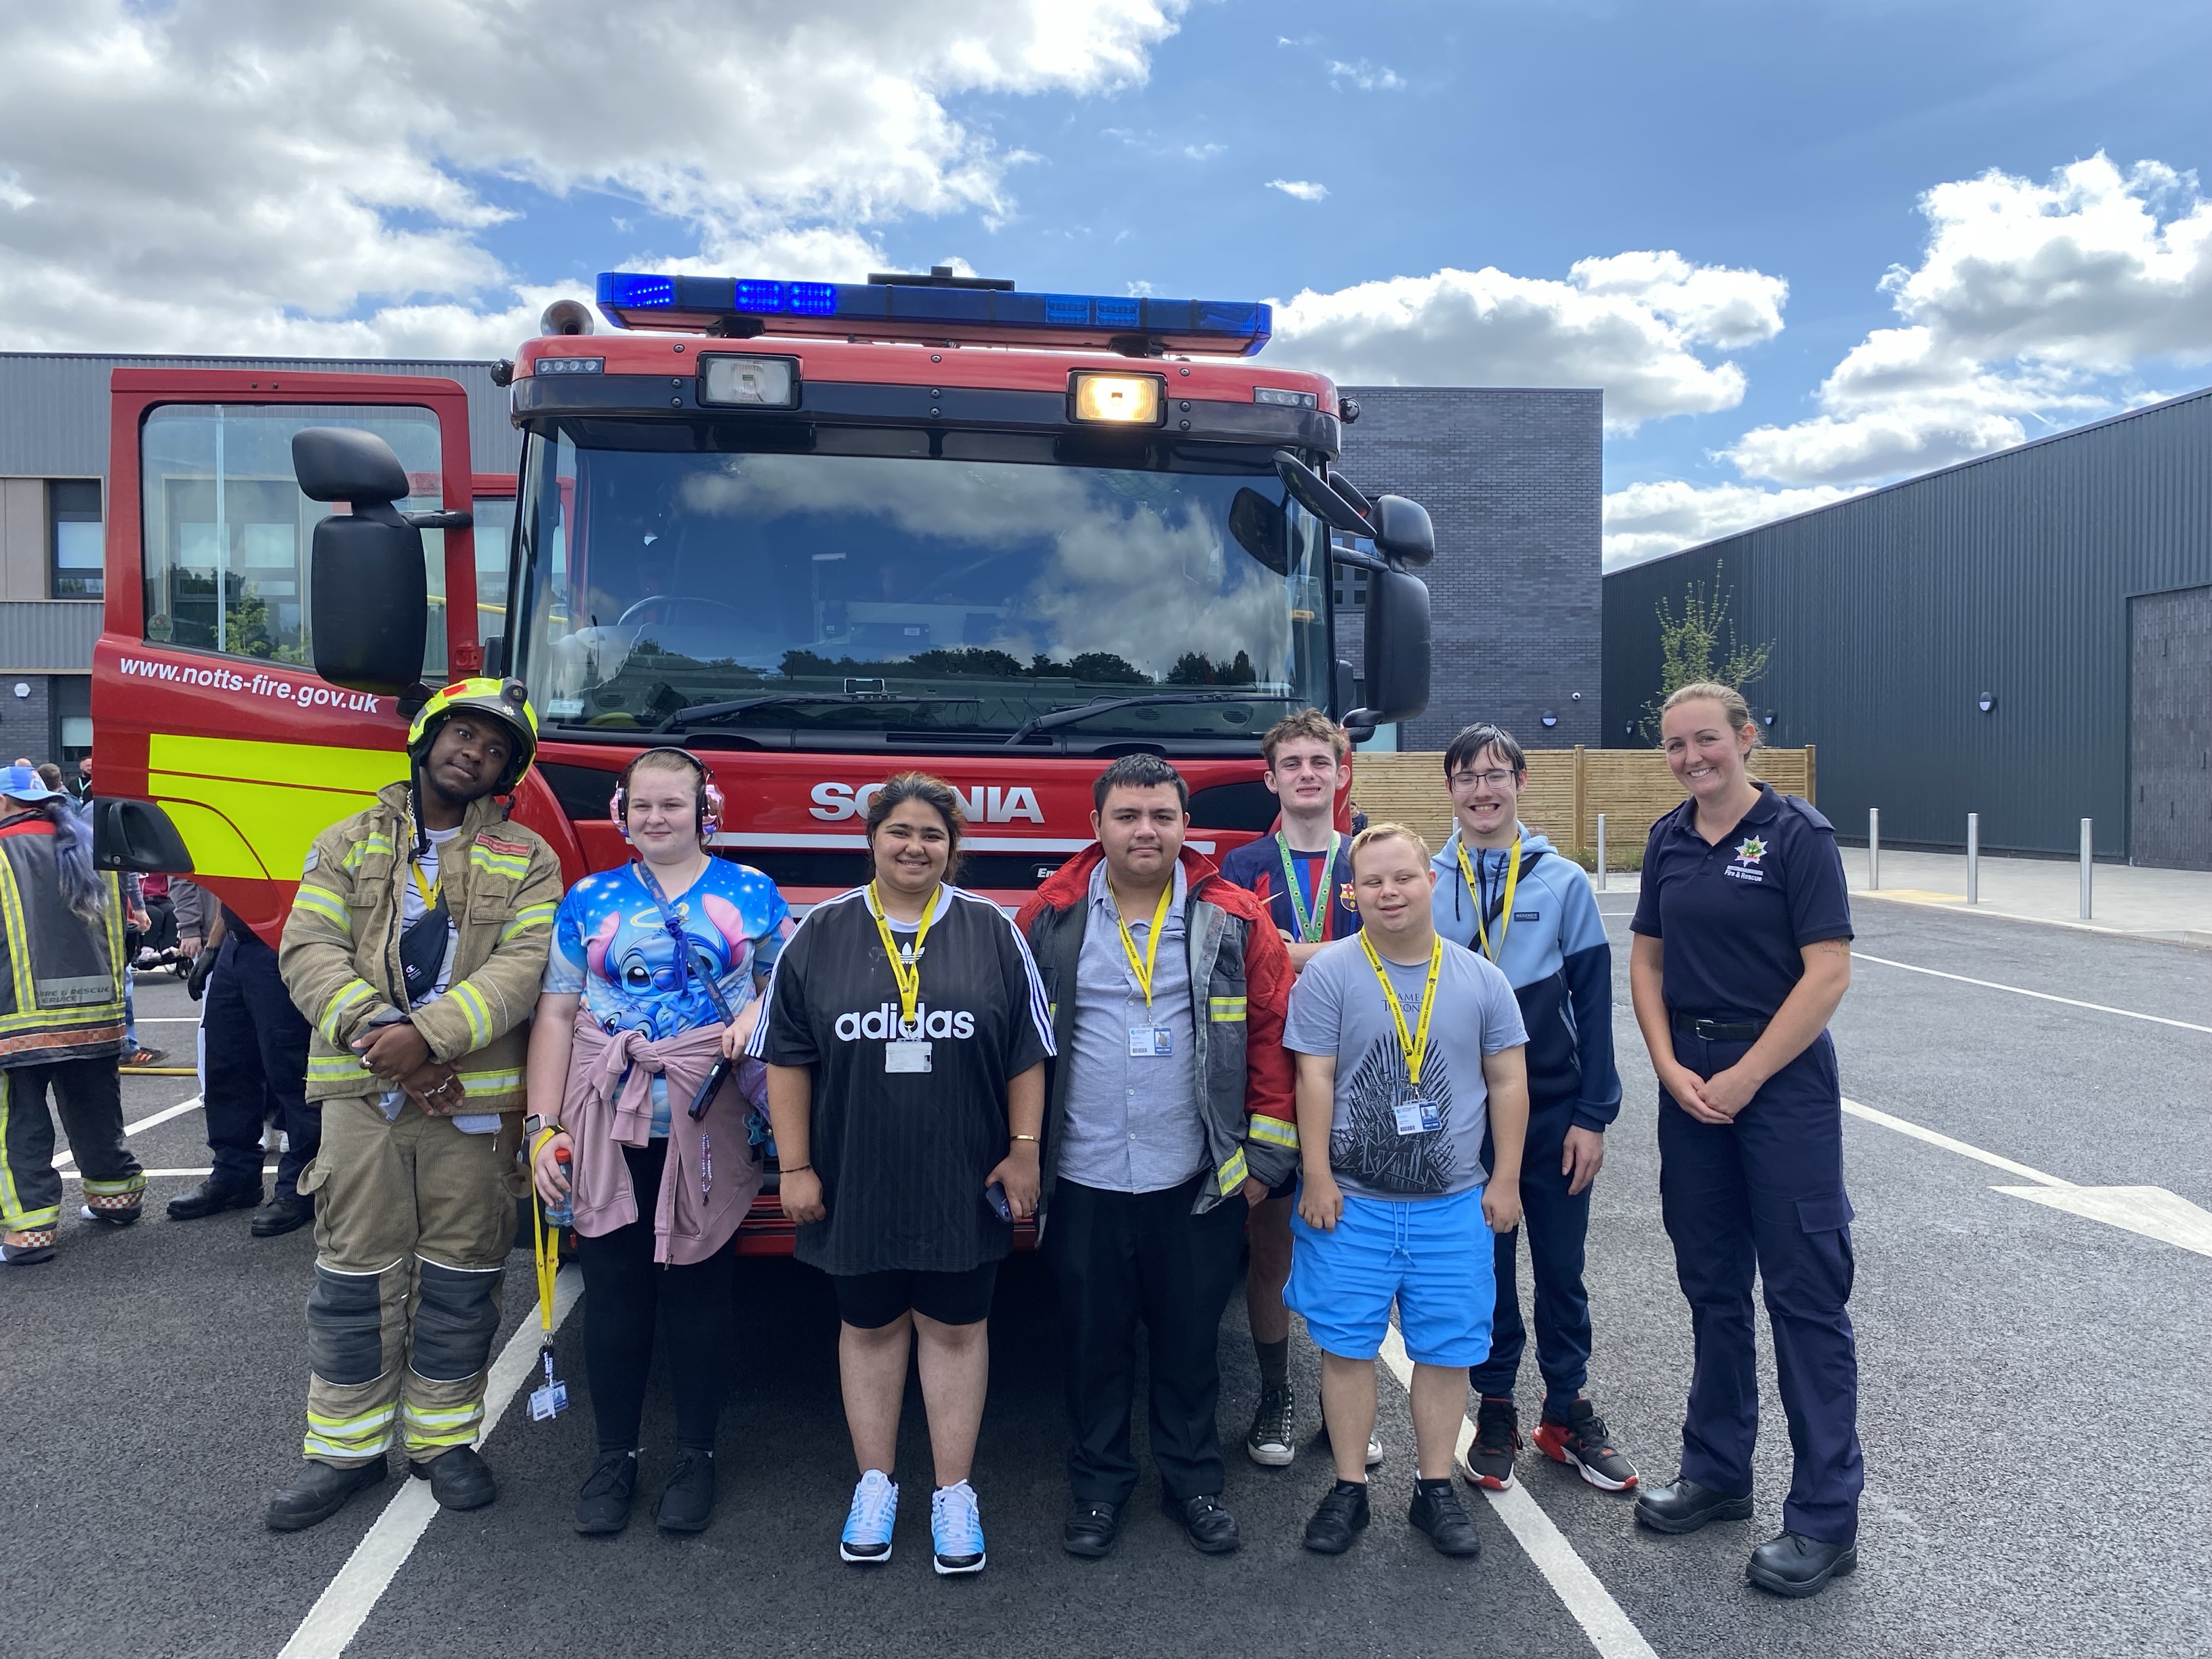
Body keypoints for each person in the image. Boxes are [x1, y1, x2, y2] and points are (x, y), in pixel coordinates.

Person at [264, 678, 564, 1532]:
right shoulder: (345, 842)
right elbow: (308, 949)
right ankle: (345, 1454)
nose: (475, 751)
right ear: (427, 738)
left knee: (463, 1279)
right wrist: (384, 1037)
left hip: (470, 1106)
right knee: (354, 1277)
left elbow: (523, 966)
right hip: (366, 1097)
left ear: (508, 772)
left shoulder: (528, 856)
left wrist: (428, 1039)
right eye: (463, 734)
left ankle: (443, 1443)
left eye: (497, 748)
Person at [754, 773, 1052, 1574]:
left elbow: (1028, 1051)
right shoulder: (820, 932)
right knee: (871, 1326)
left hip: (963, 1176)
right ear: (871, 840)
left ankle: (954, 1494)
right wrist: (796, 1166)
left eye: (932, 835)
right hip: (854, 1177)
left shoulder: (992, 930)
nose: (915, 847)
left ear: (953, 847)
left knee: (957, 1330)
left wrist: (1025, 1147)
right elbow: (788, 1058)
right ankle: (875, 1484)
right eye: (900, 833)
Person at [1015, 754, 1296, 1561]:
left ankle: (1193, 1483)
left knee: (1189, 1345)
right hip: (1086, 1176)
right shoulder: (1051, 915)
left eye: (1162, 817)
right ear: (1096, 826)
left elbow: (1273, 1039)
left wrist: (1260, 1166)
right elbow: (1014, 1045)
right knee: (1092, 1344)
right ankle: (1099, 1489)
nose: (1147, 831)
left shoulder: (1234, 916)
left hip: (1196, 1180)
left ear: (1184, 826)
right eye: (1129, 817)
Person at [1627, 680, 1860, 1599]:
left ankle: (1825, 1518)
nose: (1691, 759)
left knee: (1805, 1296)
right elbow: (1646, 958)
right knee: (1711, 1285)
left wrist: (1748, 1075)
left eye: (1706, 741)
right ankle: (1720, 1471)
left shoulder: (1800, 837)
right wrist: (1666, 1065)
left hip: (1781, 1087)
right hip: (1691, 1084)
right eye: (1675, 747)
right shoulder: (1668, 838)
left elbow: (1829, 971)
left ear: (1746, 738)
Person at [528, 747, 791, 1537]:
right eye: (642, 804)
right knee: (613, 1290)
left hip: (711, 1118)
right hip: (608, 1118)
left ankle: (695, 1455)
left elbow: (791, 983)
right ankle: (615, 1457)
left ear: (705, 809)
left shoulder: (751, 891)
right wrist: (544, 1128)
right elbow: (555, 1014)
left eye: (673, 804)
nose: (656, 818)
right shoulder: (589, 898)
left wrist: (756, 1013)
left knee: (699, 1291)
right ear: (621, 810)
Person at [1284, 823, 1529, 1558]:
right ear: (1353, 892)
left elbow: (1509, 1080)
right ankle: (1350, 1488)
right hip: (1351, 1203)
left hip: (1453, 1203)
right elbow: (1314, 1076)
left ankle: (1434, 1489)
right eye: (1373, 883)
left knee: (1447, 1351)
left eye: (1404, 877)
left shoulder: (1482, 979)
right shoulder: (1329, 974)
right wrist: (1319, 1175)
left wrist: (1507, 1177)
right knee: (1346, 1348)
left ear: (1432, 881)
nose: (1389, 893)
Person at [1429, 723, 1635, 1494]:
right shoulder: (1427, 879)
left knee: (1561, 1266)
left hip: (1552, 1111)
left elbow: (1595, 1003)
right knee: (1484, 1268)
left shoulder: (1563, 883)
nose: (1483, 791)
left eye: (1496, 775)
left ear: (1522, 782)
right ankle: (1497, 1406)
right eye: (1467, 777)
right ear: (1448, 790)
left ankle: (1566, 1408)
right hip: (1463, 1118)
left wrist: (1595, 1115)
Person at [1216, 710, 1377, 1471]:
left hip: (1365, 1079)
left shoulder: (1370, 859)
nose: (1308, 774)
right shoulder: (1241, 865)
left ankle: (1342, 1404)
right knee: (1273, 1245)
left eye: (1322, 761)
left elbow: (1392, 944)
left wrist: (1298, 950)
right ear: (1271, 777)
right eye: (1294, 763)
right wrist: (1338, 951)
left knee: (1356, 1248)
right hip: (1276, 1084)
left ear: (1342, 773)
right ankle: (1276, 1393)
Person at [0, 762, 141, 1265]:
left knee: (20, 1124)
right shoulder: (87, 843)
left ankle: (28, 1232)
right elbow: (122, 929)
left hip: (18, 1019)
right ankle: (117, 1199)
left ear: (4, 804)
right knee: (96, 1112)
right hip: (95, 1011)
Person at [165, 896, 319, 1237]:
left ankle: (301, 1187)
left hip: (285, 945)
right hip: (237, 948)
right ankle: (235, 1176)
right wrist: (215, 947)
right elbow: (232, 889)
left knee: (292, 1073)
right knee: (228, 1066)